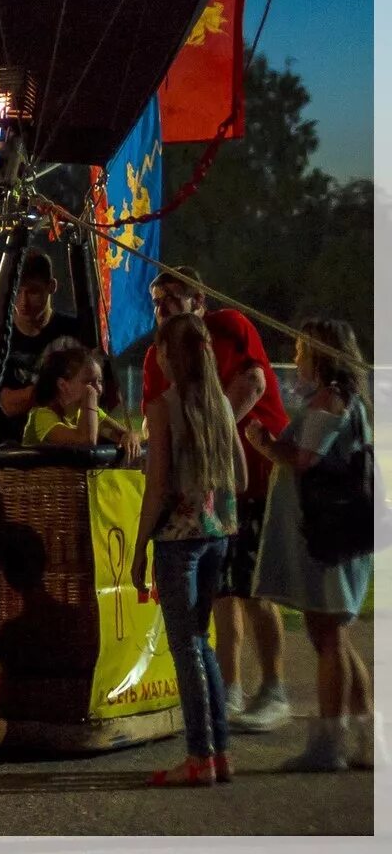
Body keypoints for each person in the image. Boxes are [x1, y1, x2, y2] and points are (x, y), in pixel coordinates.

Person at [142, 266, 291, 731]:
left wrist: (209, 434)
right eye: (156, 299)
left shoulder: (228, 328)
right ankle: (228, 686)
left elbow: (254, 383)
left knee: (253, 587)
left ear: (199, 301)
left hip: (257, 474)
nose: (162, 307)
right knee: (223, 590)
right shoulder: (156, 357)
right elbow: (155, 421)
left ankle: (275, 687)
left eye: (172, 297)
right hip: (210, 489)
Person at [247, 318, 374, 771]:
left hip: (331, 537)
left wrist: (264, 445)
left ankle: (329, 744)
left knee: (330, 634)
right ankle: (366, 737)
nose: (296, 357)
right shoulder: (341, 398)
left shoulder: (331, 399)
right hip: (332, 536)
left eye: (301, 350)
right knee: (330, 634)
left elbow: (305, 460)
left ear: (320, 353)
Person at [130, 312, 245, 786]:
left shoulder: (164, 407)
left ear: (167, 356)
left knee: (185, 648)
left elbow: (157, 485)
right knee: (204, 644)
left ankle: (198, 755)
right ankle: (219, 751)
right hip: (218, 533)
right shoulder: (219, 402)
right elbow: (238, 468)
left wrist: (139, 548)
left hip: (178, 539)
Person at [0, 250, 83, 443]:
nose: (23, 302)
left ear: (51, 286)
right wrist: (57, 389)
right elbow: (6, 403)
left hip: (63, 443)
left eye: (32, 291)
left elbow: (92, 394)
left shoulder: (74, 331)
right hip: (10, 445)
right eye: (17, 291)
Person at [23, 344, 144, 463]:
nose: (98, 389)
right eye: (89, 382)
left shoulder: (86, 411)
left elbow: (123, 433)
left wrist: (130, 437)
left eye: (99, 381)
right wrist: (90, 394)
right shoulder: (42, 416)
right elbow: (85, 442)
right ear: (63, 385)